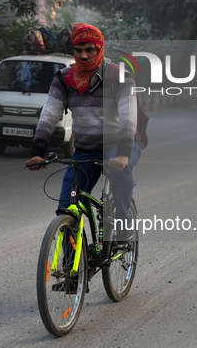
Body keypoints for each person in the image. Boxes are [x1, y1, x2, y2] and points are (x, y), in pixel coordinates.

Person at [26, 23, 141, 243]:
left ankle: (124, 224)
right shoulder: (64, 79)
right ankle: (72, 273)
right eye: (78, 50)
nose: (84, 55)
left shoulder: (120, 76)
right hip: (86, 148)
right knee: (67, 208)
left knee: (119, 173)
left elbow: (129, 117)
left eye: (89, 49)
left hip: (120, 143)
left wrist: (123, 154)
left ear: (100, 49)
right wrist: (38, 151)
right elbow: (49, 114)